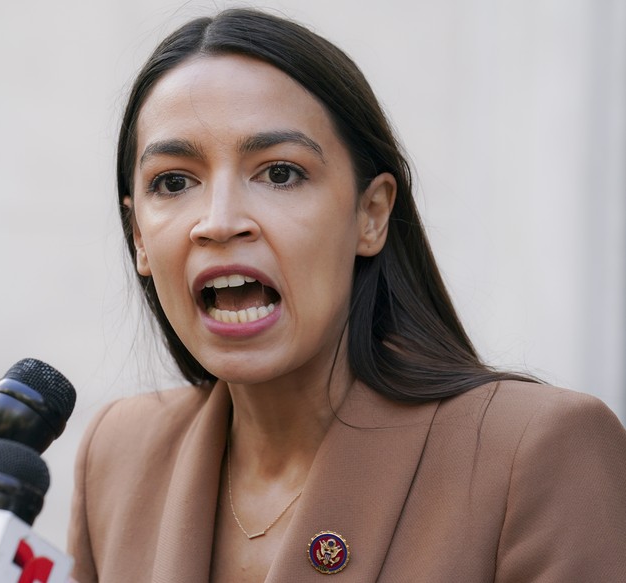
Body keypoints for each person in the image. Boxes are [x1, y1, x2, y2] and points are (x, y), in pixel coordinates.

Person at [67, 8, 626, 582]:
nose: (220, 221)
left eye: (280, 173)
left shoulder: (537, 451)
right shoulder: (118, 455)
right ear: (138, 235)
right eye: (175, 182)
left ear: (371, 213)